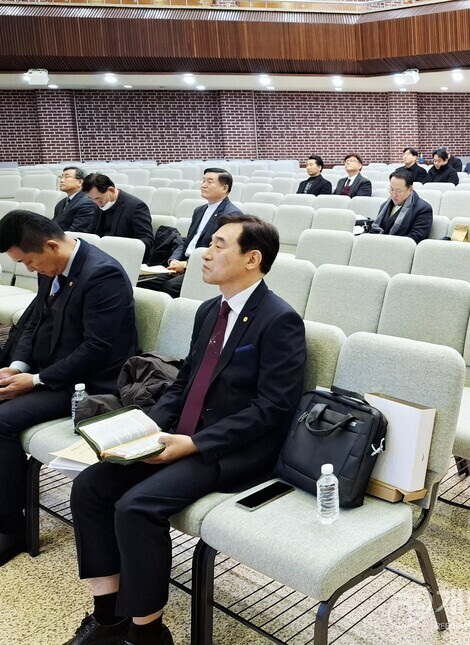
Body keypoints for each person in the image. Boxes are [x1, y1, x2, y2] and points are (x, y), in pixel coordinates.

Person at [65, 214, 306, 645]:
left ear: (252, 259)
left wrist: (194, 444)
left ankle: (147, 633)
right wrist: (144, 427)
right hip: (182, 435)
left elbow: (273, 408)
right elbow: (184, 383)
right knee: (90, 487)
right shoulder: (210, 310)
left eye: (218, 245)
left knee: (136, 508)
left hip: (231, 450)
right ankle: (108, 617)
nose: (204, 254)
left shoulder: (279, 320)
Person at [0, 211, 136, 574]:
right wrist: (18, 367)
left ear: (51, 246)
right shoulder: (50, 266)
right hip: (48, 371)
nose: (30, 269)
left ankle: (11, 526)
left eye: (29, 261)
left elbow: (96, 350)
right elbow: (33, 322)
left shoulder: (103, 275)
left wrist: (36, 381)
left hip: (89, 384)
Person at [139, 168, 242, 299]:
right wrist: (175, 259)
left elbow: (221, 251)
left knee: (170, 286)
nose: (203, 185)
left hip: (203, 266)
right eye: (203, 181)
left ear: (224, 188)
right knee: (147, 280)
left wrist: (186, 266)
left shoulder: (231, 215)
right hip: (183, 263)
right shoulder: (199, 210)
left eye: (210, 182)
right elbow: (188, 241)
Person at [83, 173, 156, 264]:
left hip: (126, 258)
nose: (97, 203)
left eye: (99, 198)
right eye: (92, 199)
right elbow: (91, 231)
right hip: (102, 256)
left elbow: (147, 240)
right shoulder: (98, 204)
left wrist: (121, 246)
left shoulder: (136, 206)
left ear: (111, 190)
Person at [370, 169, 432, 243]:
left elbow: (416, 237)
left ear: (410, 189)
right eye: (391, 189)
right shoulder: (384, 206)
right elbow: (375, 229)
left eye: (398, 191)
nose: (394, 194)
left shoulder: (423, 209)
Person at [53, 166, 99, 233]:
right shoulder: (61, 203)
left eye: (66, 177)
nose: (61, 180)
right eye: (61, 177)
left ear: (80, 182)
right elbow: (53, 224)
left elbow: (76, 232)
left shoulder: (87, 203)